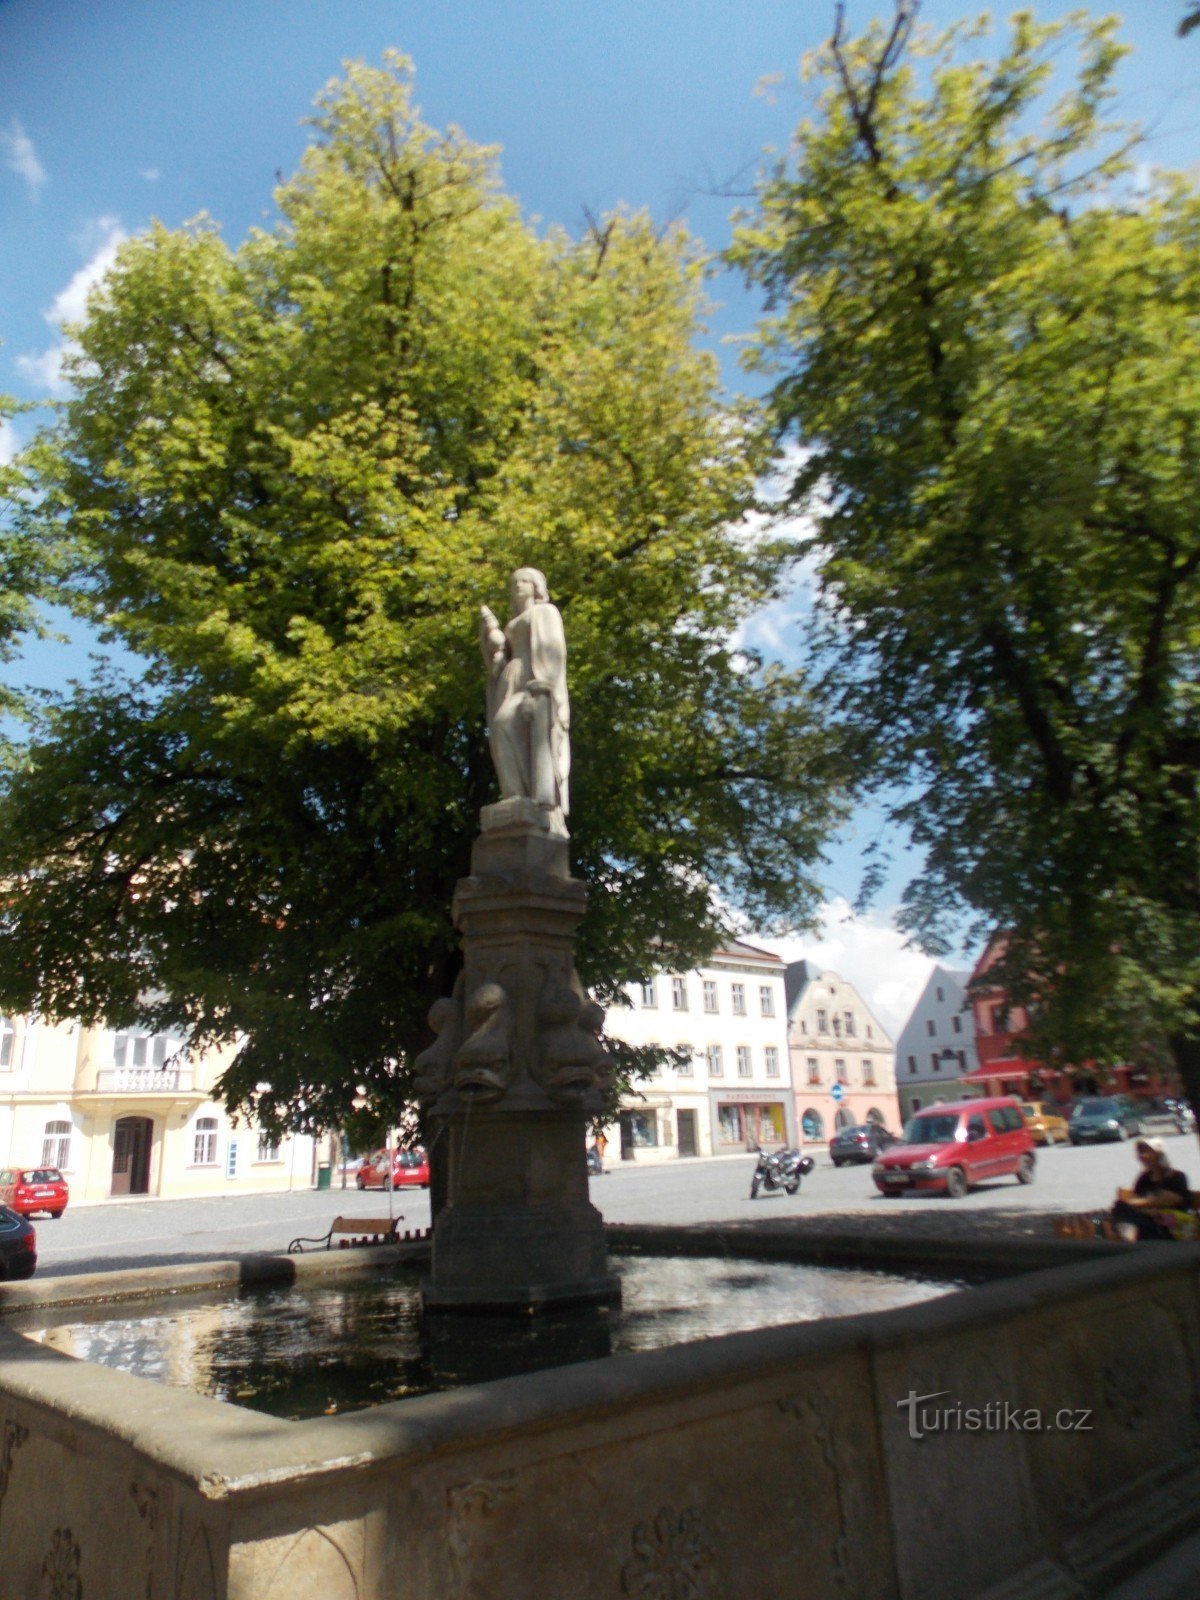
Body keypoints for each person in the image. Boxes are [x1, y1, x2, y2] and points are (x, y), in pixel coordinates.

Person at [479, 568, 570, 823]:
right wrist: (491, 644)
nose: (518, 586)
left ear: (536, 586)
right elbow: (499, 658)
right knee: (499, 732)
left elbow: (553, 651)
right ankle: (514, 795)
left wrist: (542, 688)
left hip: (532, 678)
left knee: (504, 724)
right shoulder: (512, 622)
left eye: (524, 581)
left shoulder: (545, 612)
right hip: (510, 680)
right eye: (514, 582)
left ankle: (535, 799)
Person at [1110, 1138, 1196, 1241]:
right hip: (1149, 1220)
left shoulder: (1177, 1176)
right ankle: (1129, 1241)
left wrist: (1138, 1204)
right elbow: (1135, 1201)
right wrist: (1145, 1208)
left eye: (1146, 1151)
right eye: (1140, 1152)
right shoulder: (1144, 1178)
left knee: (1125, 1212)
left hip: (1171, 1226)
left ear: (1159, 1154)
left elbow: (1168, 1200)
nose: (1142, 1156)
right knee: (1120, 1207)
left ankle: (1129, 1243)